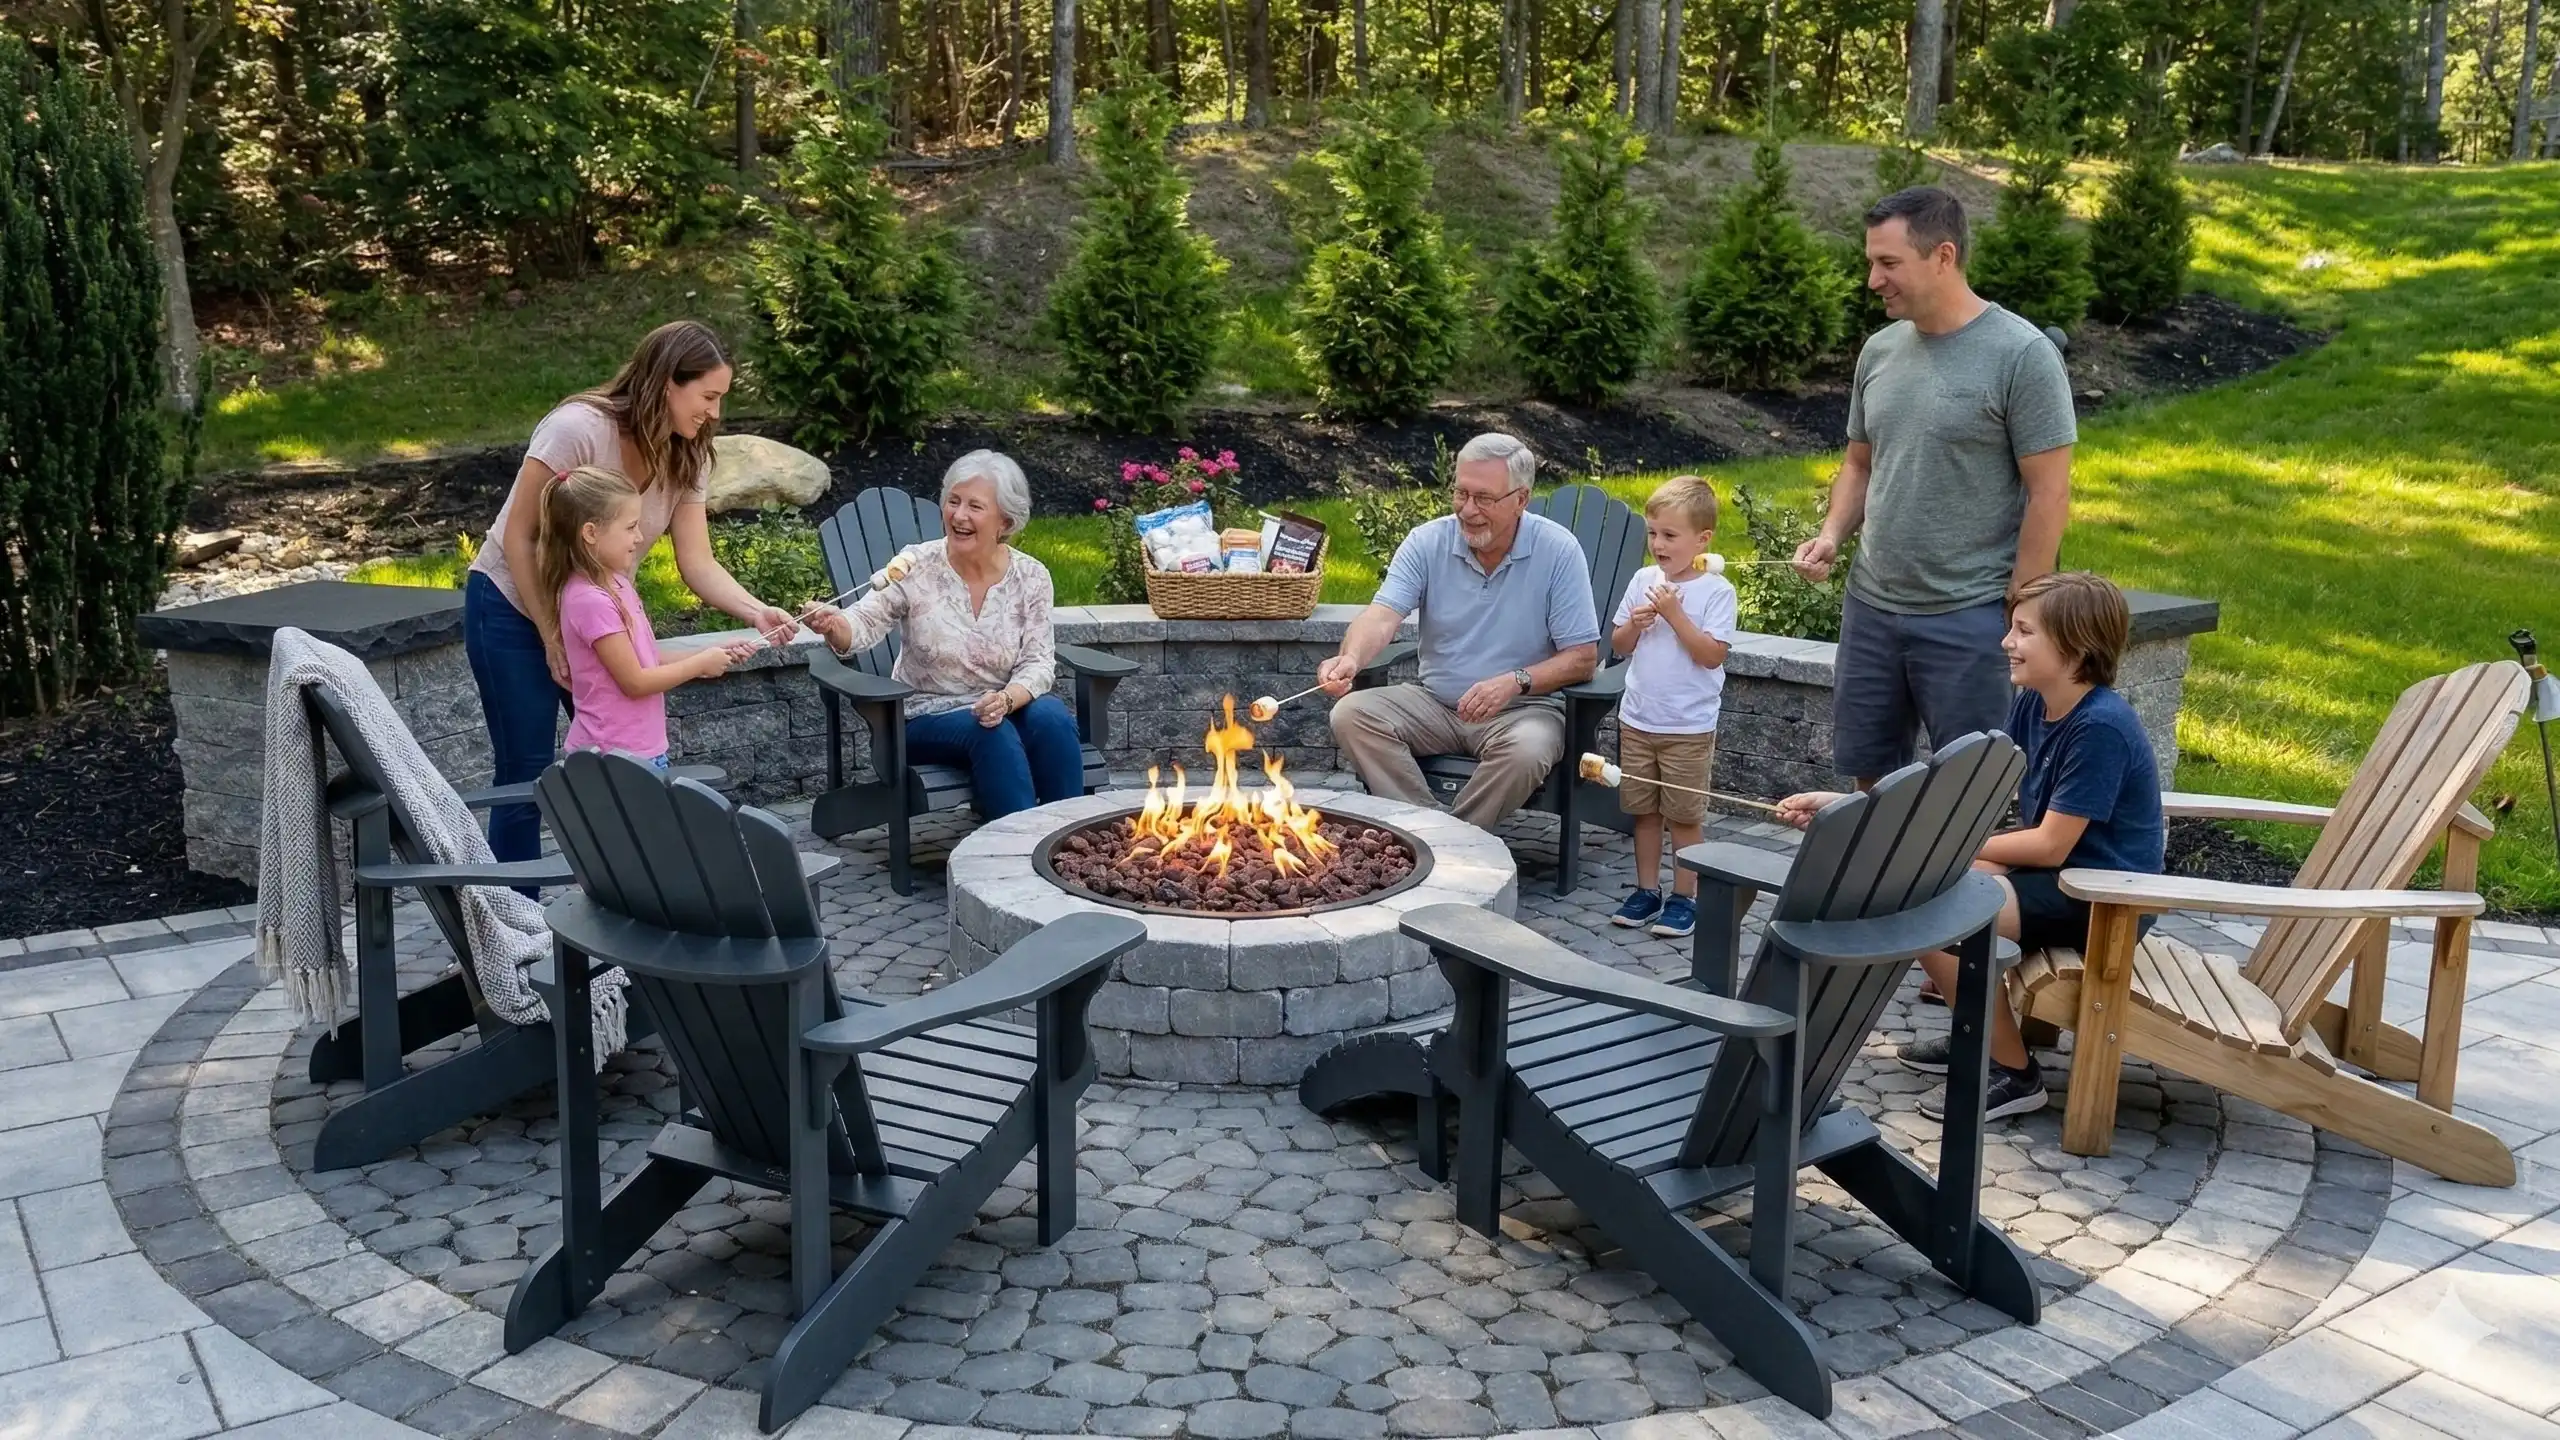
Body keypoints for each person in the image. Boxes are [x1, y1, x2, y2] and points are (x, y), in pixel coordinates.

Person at [1773, 572, 2165, 1121]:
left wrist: (1948, 847)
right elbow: (1969, 794)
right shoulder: (2035, 704)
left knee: (1919, 906)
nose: (2006, 641)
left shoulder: (2099, 727)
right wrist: (1853, 810)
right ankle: (1977, 1037)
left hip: (2103, 899)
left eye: (2024, 631)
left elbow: (2052, 845)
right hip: (2062, 878)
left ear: (2075, 647)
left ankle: (2013, 1072)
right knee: (1915, 876)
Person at [462, 320, 852, 863]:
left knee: (622, 777)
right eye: (708, 396)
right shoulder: (577, 428)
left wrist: (756, 610)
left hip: (596, 618)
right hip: (512, 606)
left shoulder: (687, 451)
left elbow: (696, 561)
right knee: (527, 775)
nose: (715, 413)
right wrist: (551, 634)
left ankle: (619, 906)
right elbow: (519, 536)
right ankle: (513, 929)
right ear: (668, 382)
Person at [1790, 185, 2077, 790]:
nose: (1873, 279)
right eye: (1871, 262)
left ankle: (1960, 889)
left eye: (1888, 263)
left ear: (1943, 256)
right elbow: (1860, 465)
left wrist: (2022, 607)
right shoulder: (1880, 350)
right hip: (1871, 606)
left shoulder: (2021, 355)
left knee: (1971, 790)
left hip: (1969, 613)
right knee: (1870, 781)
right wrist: (1832, 534)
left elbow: (2049, 494)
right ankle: (1882, 888)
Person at [1316, 433, 1601, 830]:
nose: (1468, 510)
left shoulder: (1558, 551)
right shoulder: (1428, 541)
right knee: (1352, 714)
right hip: (1434, 703)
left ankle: (1457, 837)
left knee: (1528, 749)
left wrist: (1514, 682)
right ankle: (1426, 830)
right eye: (1460, 493)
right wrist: (1351, 657)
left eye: (1484, 498)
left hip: (1522, 710)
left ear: (1521, 499)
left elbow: (1583, 658)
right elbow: (1381, 615)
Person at [816, 451, 1081, 818]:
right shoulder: (916, 566)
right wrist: (835, 625)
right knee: (992, 733)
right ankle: (1013, 855)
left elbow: (1038, 662)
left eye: (975, 506)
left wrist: (1005, 700)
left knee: (1051, 717)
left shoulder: (1031, 577)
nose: (958, 515)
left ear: (1004, 521)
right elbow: (862, 624)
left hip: (998, 705)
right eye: (953, 502)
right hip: (922, 717)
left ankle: (1068, 845)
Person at [537, 467, 756, 771]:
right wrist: (700, 664)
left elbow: (646, 657)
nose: (640, 537)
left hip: (638, 753)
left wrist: (713, 655)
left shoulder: (617, 584)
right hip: (612, 759)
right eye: (630, 527)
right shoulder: (589, 601)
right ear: (590, 532)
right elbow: (635, 682)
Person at [1607, 477, 1739, 939]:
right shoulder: (1644, 580)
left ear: (1703, 540)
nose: (1658, 544)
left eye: (1669, 535)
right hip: (1639, 719)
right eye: (1652, 534)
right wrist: (1638, 624)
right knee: (1644, 812)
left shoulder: (1717, 592)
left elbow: (1711, 655)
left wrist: (1675, 616)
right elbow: (1618, 645)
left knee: (1684, 816)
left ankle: (1687, 896)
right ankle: (1647, 890)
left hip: (1687, 726)